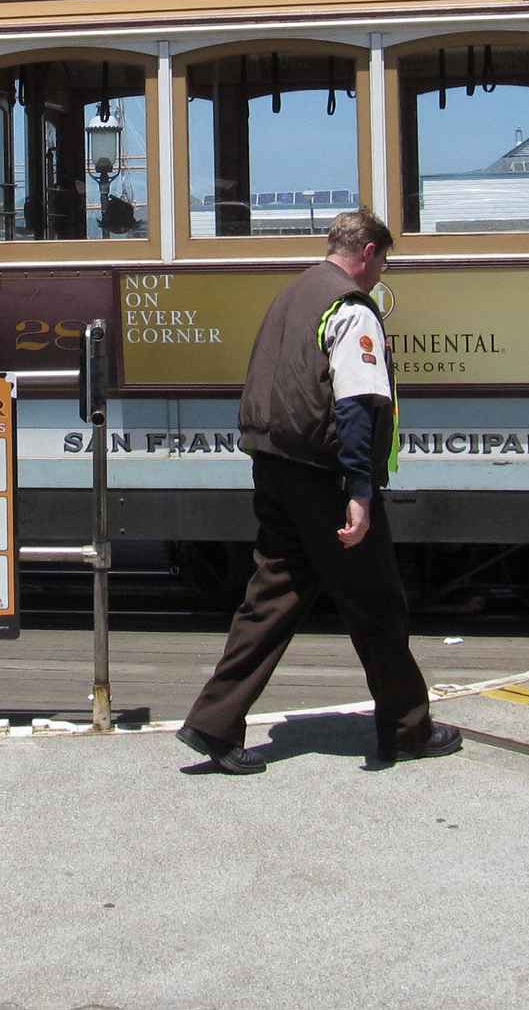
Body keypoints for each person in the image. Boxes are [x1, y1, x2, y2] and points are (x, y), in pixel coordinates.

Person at [177, 209, 462, 772]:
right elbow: (357, 404)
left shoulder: (294, 295)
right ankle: (406, 730)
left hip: (274, 466)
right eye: (383, 262)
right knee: (377, 603)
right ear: (368, 254)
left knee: (272, 597)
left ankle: (214, 723)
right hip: (324, 476)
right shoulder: (352, 308)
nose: (381, 274)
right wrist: (359, 489)